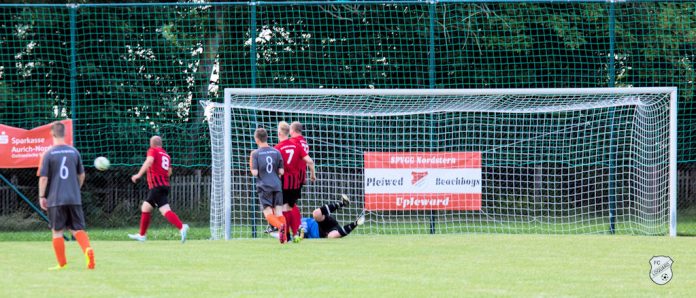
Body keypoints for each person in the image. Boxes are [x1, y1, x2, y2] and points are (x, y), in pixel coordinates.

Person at [38, 121, 95, 270]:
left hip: (56, 198)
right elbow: (81, 175)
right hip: (73, 197)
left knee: (57, 231)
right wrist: (76, 188)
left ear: (51, 133)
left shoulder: (48, 153)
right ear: (65, 133)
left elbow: (43, 178)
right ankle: (88, 250)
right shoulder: (74, 152)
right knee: (77, 229)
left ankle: (62, 263)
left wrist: (41, 196)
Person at [128, 136, 189, 243]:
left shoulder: (152, 150)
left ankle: (181, 227)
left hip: (156, 186)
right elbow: (169, 172)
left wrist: (138, 175)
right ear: (161, 144)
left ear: (151, 144)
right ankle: (142, 235)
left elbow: (149, 161)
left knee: (164, 211)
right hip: (164, 185)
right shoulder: (166, 155)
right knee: (146, 208)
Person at [274, 121, 316, 240]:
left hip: (284, 182)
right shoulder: (298, 145)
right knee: (291, 206)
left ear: (279, 133)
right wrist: (312, 174)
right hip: (296, 181)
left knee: (281, 208)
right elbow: (310, 161)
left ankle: (285, 234)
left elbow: (278, 168)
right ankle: (297, 230)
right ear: (289, 132)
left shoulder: (278, 148)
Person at [250, 127, 288, 244]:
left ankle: (280, 226)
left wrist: (251, 162)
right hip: (277, 185)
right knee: (279, 212)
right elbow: (281, 172)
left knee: (268, 213)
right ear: (266, 137)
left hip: (264, 186)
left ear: (257, 139)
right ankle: (285, 239)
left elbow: (255, 173)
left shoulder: (255, 154)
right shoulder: (276, 152)